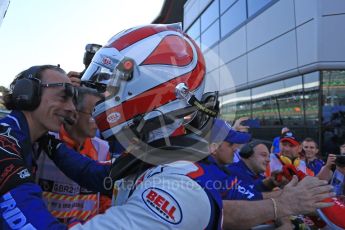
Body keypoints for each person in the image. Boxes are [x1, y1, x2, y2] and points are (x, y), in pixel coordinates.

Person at [3, 24, 333, 229]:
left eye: (110, 87)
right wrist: (50, 145)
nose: (98, 97)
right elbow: (99, 177)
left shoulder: (176, 187)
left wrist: (8, 176)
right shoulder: (149, 160)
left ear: (150, 94)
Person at [0, 65, 76, 229]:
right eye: (63, 97)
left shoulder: (38, 140)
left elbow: (89, 171)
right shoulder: (3, 141)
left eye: (73, 100)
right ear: (27, 94)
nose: (72, 108)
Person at [36, 87, 111, 224]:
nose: (100, 121)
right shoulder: (42, 142)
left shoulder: (103, 148)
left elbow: (104, 199)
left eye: (103, 114)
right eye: (94, 113)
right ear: (73, 114)